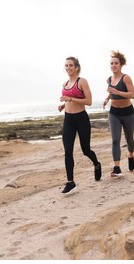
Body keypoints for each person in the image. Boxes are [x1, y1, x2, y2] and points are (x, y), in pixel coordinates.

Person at [58, 56, 102, 193]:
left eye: (70, 65)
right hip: (68, 120)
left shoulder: (82, 81)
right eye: (66, 65)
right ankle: (70, 182)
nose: (68, 68)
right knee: (68, 151)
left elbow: (88, 101)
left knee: (85, 150)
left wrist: (69, 98)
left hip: (81, 119)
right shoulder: (64, 84)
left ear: (76, 67)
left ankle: (96, 163)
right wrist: (63, 105)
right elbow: (69, 101)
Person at [103, 50, 134, 177]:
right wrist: (107, 98)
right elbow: (111, 92)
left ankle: (130, 155)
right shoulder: (109, 79)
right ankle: (117, 168)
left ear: (121, 64)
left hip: (128, 113)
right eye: (111, 63)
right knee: (115, 139)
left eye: (116, 63)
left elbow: (132, 94)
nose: (113, 65)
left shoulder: (126, 78)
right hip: (114, 113)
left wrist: (117, 92)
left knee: (130, 140)